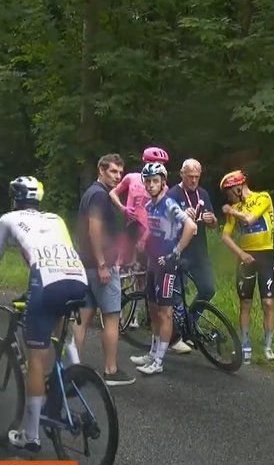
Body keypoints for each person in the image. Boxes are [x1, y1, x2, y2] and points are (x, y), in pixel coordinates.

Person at [0, 176, 90, 451]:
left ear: (15, 198)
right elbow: (59, 254)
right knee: (60, 335)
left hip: (47, 283)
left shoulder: (8, 219)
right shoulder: (55, 219)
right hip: (78, 280)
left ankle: (30, 437)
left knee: (36, 359)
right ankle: (70, 378)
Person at [72, 153, 135, 386]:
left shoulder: (90, 193)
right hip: (101, 267)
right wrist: (102, 264)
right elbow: (94, 230)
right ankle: (110, 370)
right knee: (111, 318)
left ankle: (73, 368)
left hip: (85, 265)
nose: (118, 177)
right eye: (113, 172)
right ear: (101, 169)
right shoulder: (99, 196)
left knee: (82, 318)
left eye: (120, 172)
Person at [129, 162, 196, 376]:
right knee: (152, 309)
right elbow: (156, 230)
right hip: (152, 262)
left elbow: (191, 226)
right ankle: (152, 352)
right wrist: (143, 242)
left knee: (165, 312)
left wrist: (175, 252)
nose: (150, 185)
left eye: (154, 181)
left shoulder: (169, 204)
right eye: (147, 181)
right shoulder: (149, 206)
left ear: (163, 182)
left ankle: (158, 361)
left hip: (167, 264)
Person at [218, 170, 274, 364]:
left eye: (228, 192)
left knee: (268, 302)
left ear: (238, 187)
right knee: (245, 303)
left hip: (266, 255)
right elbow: (225, 236)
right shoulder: (234, 208)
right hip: (246, 257)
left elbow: (250, 218)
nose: (227, 197)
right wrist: (241, 254)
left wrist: (232, 211)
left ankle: (268, 345)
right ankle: (245, 343)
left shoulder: (263, 197)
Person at [164, 158, 218, 353]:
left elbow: (213, 225)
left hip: (200, 252)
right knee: (177, 297)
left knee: (208, 289)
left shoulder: (202, 193)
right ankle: (175, 337)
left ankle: (190, 325)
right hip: (179, 252)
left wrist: (212, 220)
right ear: (182, 174)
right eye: (190, 176)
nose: (194, 180)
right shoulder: (172, 194)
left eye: (197, 176)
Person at [110, 147, 169, 272]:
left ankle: (143, 290)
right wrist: (122, 208)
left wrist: (143, 239)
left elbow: (158, 216)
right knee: (119, 265)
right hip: (129, 227)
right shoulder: (132, 178)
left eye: (162, 165)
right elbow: (113, 193)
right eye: (158, 164)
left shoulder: (163, 187)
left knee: (143, 270)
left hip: (148, 231)